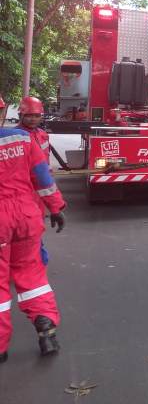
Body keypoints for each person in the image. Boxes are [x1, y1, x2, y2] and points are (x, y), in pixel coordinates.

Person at [1, 122, 67, 363]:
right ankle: (46, 328)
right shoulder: (21, 139)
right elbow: (42, 177)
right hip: (26, 216)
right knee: (32, 276)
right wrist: (56, 207)